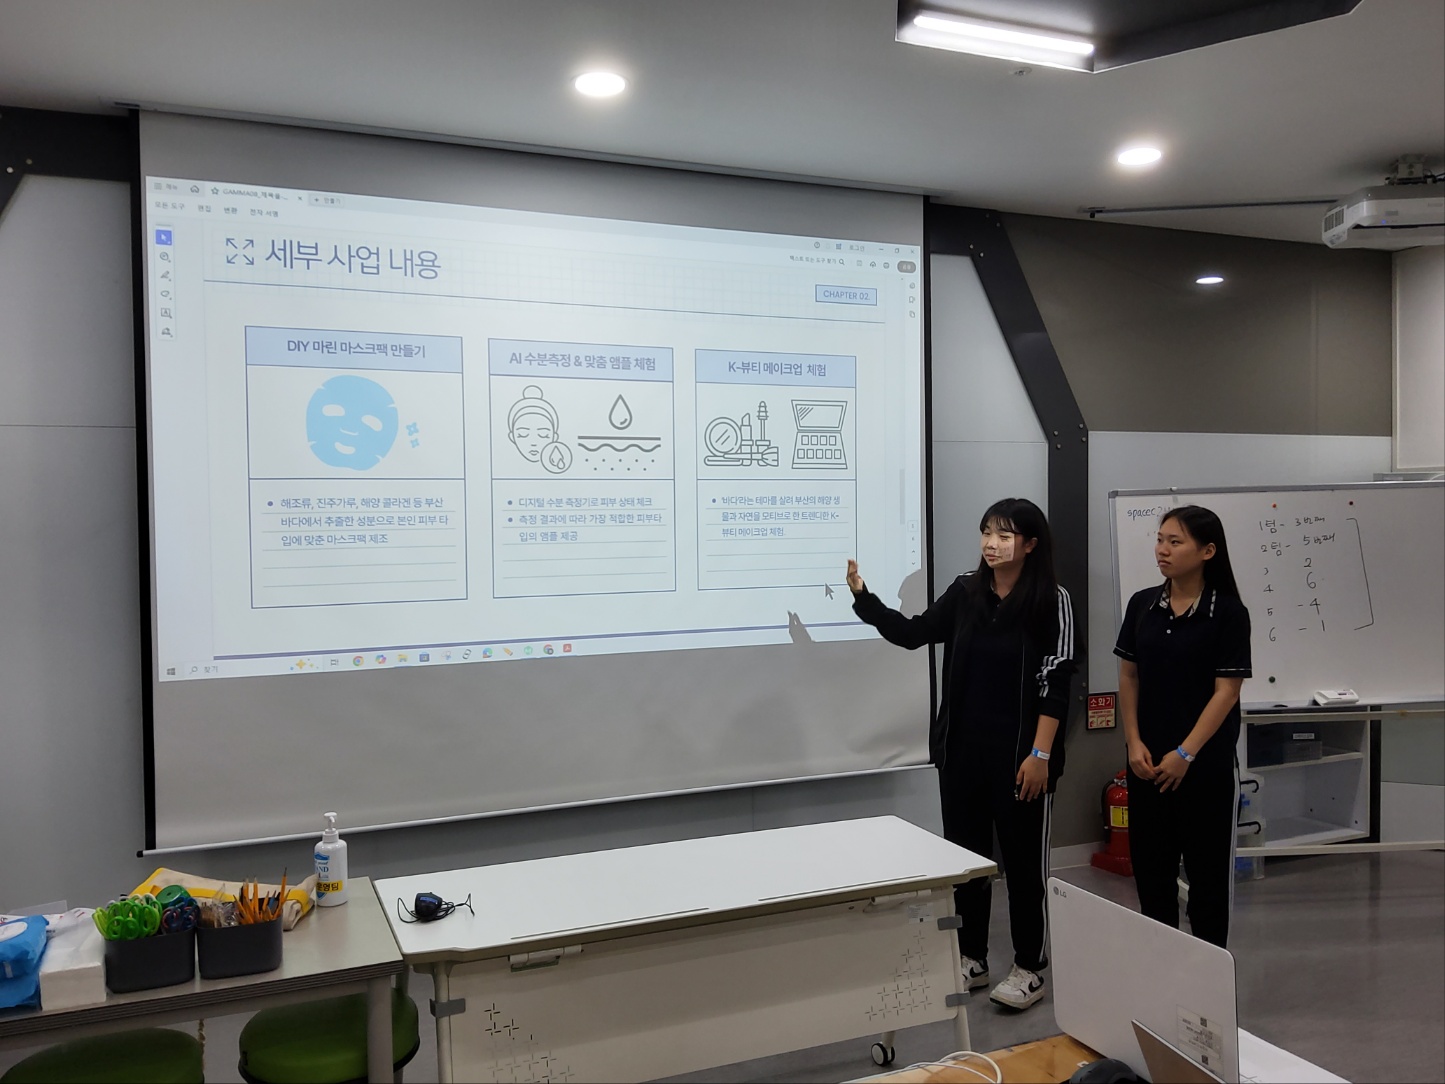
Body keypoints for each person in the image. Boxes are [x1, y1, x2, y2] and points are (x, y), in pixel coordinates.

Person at [848, 498, 1075, 1011]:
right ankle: (972, 956)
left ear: (1030, 544)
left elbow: (1056, 682)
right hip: (962, 756)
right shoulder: (966, 590)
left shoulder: (1051, 600)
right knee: (968, 862)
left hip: (1022, 760)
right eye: (986, 532)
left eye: (1004, 535)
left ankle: (1030, 966)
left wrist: (1040, 754)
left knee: (1023, 868)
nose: (991, 544)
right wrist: (864, 597)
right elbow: (914, 634)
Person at [1114, 505, 1251, 948]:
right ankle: (1161, 973)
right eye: (1160, 540)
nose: (1162, 550)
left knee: (1208, 885)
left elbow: (1226, 692)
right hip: (1147, 766)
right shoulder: (1142, 605)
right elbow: (1128, 676)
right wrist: (1133, 742)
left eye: (1175, 542)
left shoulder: (1227, 613)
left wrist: (1186, 753)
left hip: (1203, 770)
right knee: (1152, 880)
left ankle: (1208, 981)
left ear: (1207, 551)